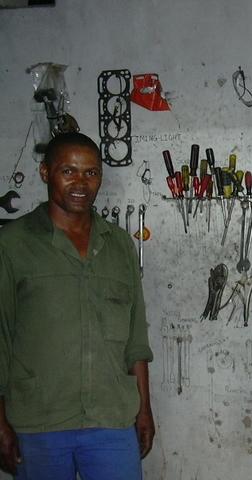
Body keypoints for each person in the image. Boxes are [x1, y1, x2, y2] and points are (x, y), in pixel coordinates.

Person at [0, 132, 154, 479]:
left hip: (112, 421)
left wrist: (144, 410)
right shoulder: (12, 246)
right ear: (45, 173)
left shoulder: (119, 246)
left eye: (91, 173)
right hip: (39, 423)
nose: (81, 183)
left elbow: (136, 339)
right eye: (68, 171)